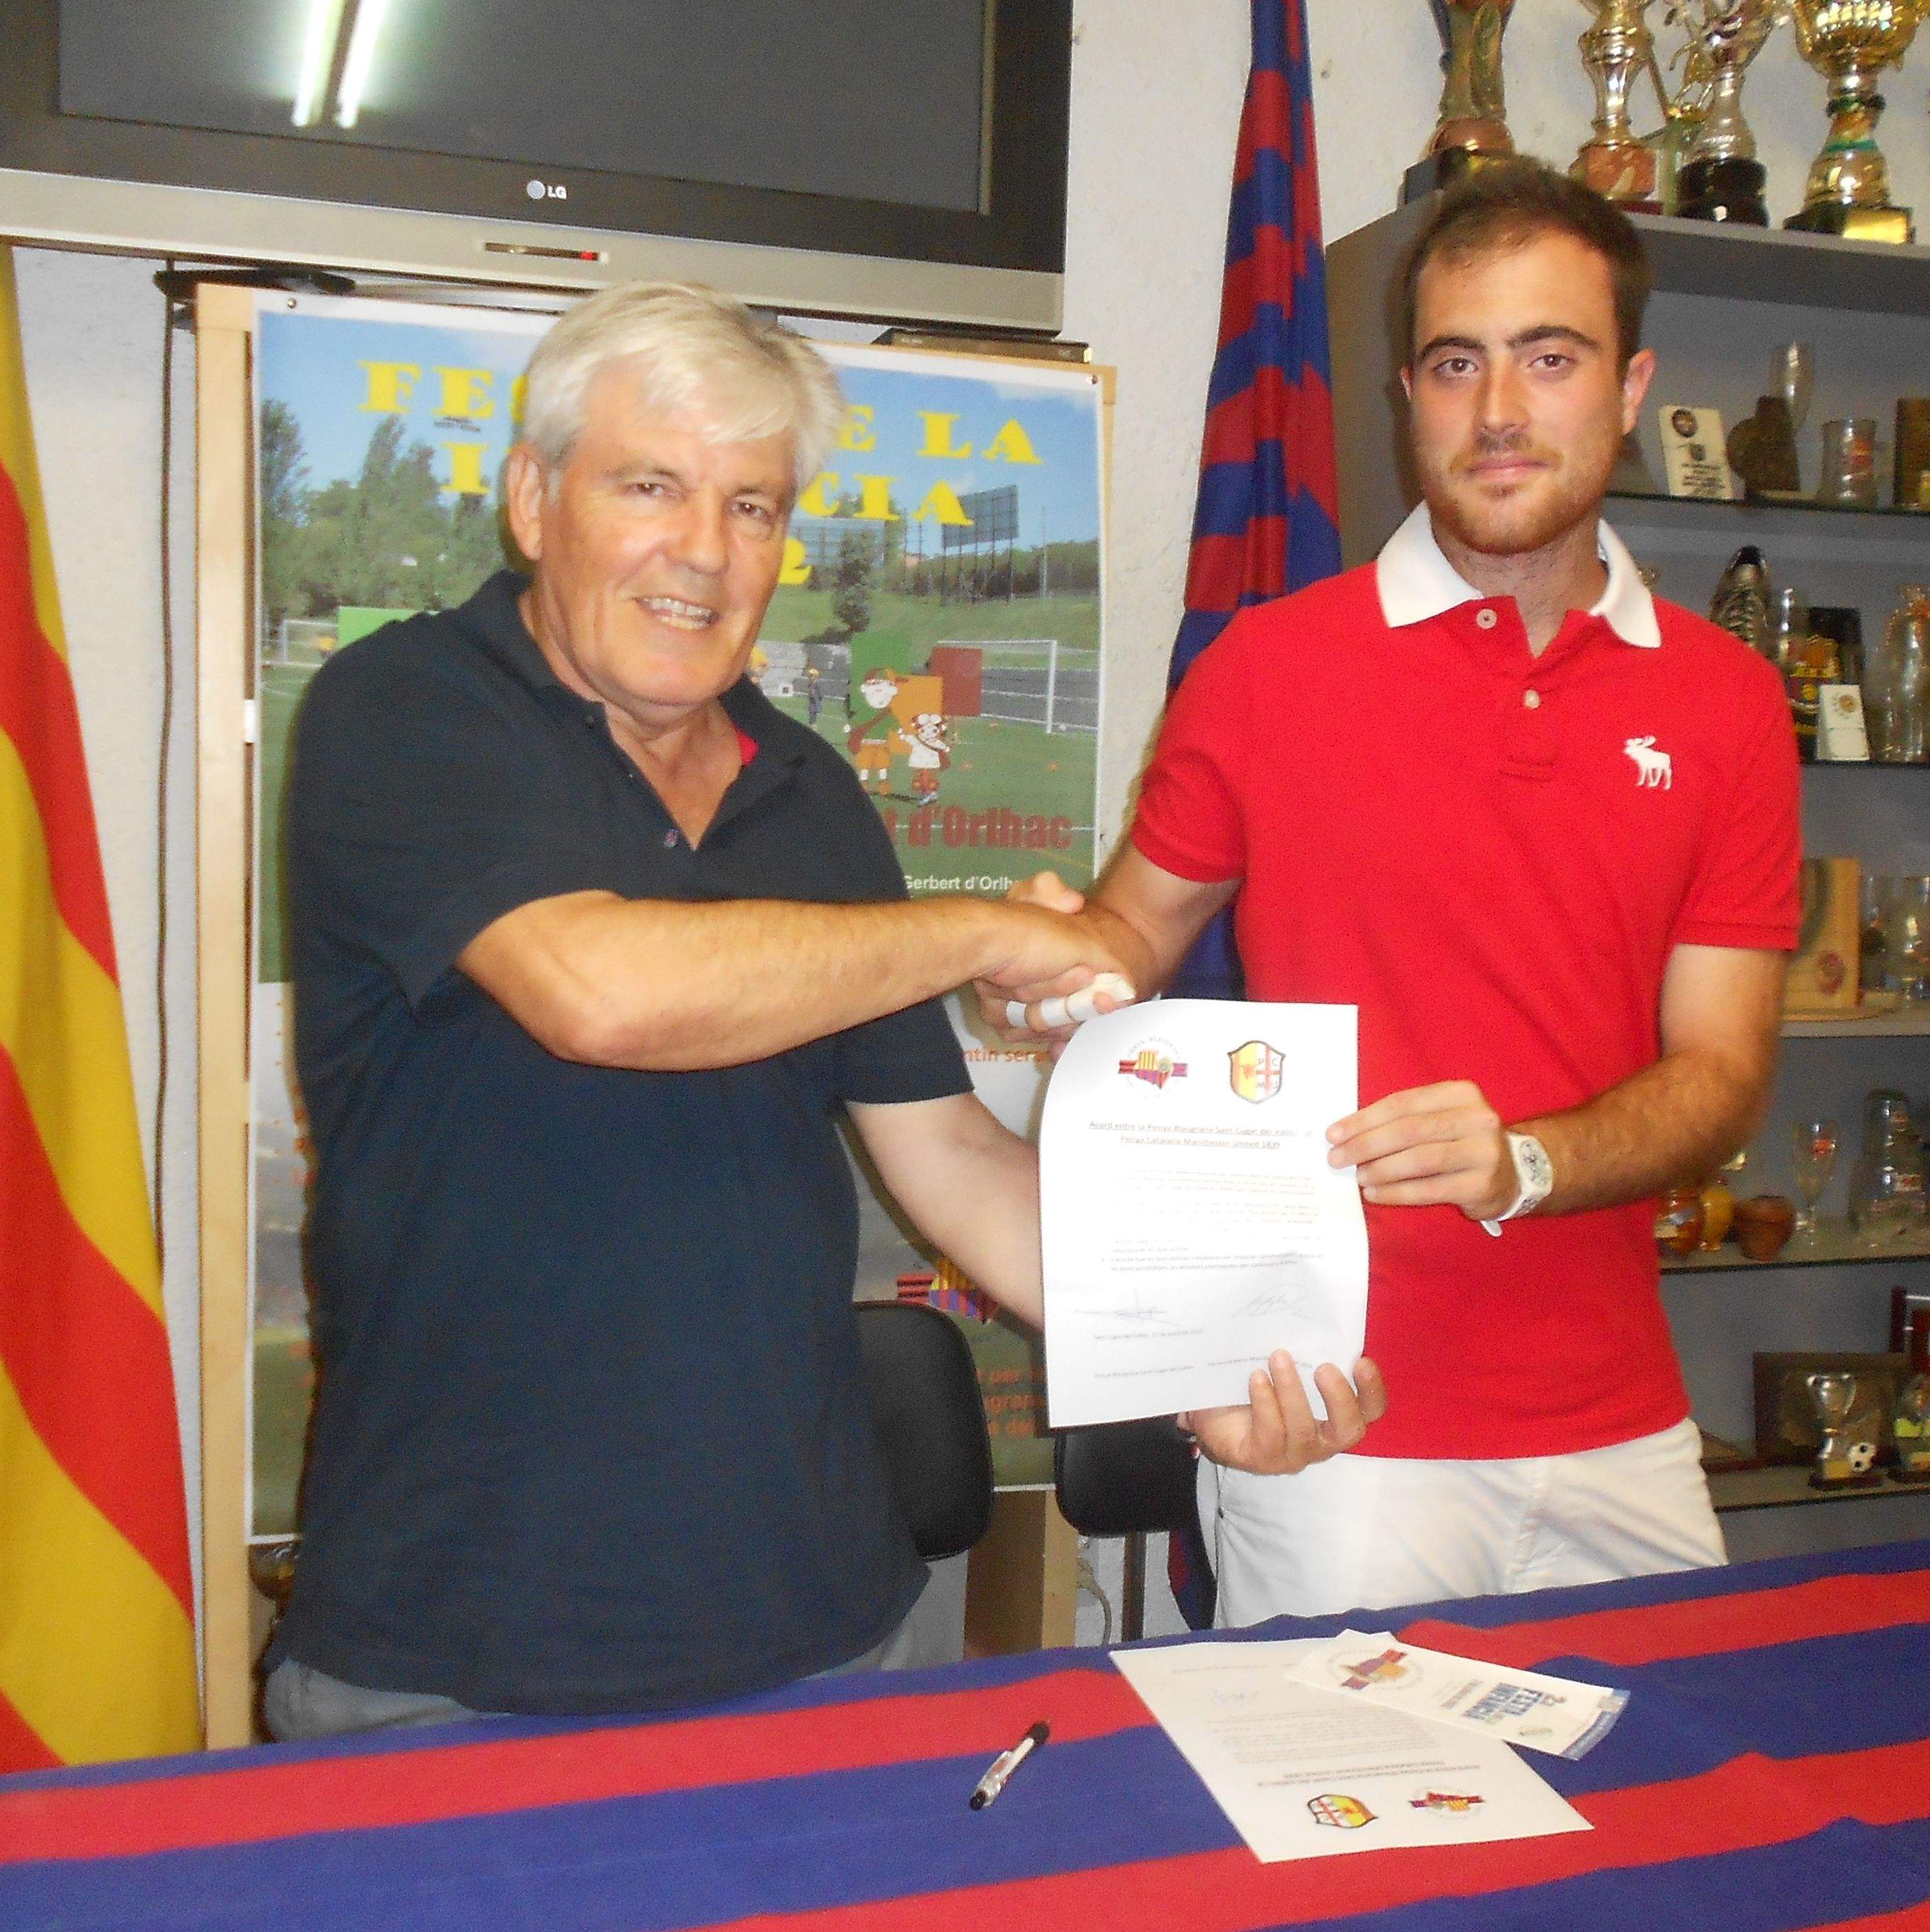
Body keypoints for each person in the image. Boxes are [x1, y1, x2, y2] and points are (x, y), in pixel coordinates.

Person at [269, 280, 1381, 1739]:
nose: (704, 553)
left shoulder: (810, 793)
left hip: (817, 1631)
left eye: (752, 507)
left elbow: (956, 1166)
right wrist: (982, 928)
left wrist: (1210, 1367)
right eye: (650, 487)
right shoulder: (399, 707)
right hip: (454, 1653)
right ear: (535, 502)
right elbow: (600, 993)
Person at [992, 164, 1800, 1626]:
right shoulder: (1266, 668)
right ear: (1405, 394)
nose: (1498, 412)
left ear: (1630, 389)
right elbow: (1127, 943)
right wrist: (1036, 955)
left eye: (1550, 358)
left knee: (1673, 1826)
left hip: (1624, 1428)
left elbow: (1725, 1077)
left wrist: (1528, 1162)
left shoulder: (1732, 704)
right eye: (1455, 364)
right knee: (1348, 1850)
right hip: (1335, 1430)